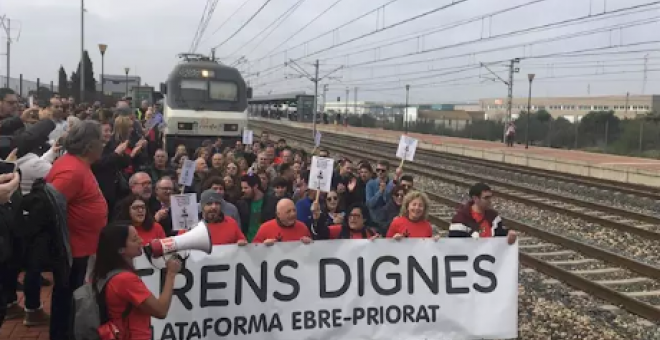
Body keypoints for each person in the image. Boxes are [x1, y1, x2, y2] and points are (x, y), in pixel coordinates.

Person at [46, 120, 108, 340]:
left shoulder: (77, 165)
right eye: (101, 140)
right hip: (74, 251)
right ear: (90, 145)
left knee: (72, 299)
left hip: (82, 247)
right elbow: (50, 207)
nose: (104, 144)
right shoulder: (71, 170)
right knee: (69, 301)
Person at [92, 223, 181, 340]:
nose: (141, 240)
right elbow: (161, 310)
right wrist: (171, 274)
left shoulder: (105, 273)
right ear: (121, 249)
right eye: (135, 239)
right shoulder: (125, 280)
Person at [449, 182, 517, 244]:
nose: (489, 201)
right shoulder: (460, 220)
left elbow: (499, 235)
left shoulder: (494, 217)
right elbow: (454, 245)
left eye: (490, 197)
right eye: (486, 198)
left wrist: (508, 234)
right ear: (475, 198)